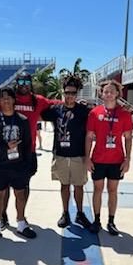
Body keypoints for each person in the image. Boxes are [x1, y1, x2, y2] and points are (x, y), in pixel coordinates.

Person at [1, 71, 54, 229]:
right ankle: (3, 215)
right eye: (21, 82)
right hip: (8, 149)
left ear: (30, 84)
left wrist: (82, 103)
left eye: (26, 82)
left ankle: (21, 216)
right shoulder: (10, 98)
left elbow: (57, 103)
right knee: (4, 186)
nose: (24, 86)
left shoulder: (37, 100)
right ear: (17, 83)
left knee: (24, 185)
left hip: (28, 151)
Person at [0, 87, 36, 242]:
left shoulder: (22, 120)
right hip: (0, 164)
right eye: (2, 98)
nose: (6, 100)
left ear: (14, 99)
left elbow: (28, 144)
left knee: (20, 194)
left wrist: (28, 165)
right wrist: (5, 147)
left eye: (9, 97)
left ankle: (21, 224)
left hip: (19, 165)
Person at [41, 75, 91, 229]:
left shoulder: (84, 110)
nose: (70, 96)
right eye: (67, 92)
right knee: (64, 185)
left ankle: (80, 213)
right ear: (63, 93)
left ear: (77, 94)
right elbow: (39, 110)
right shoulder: (55, 110)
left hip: (78, 155)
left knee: (79, 186)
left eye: (73, 93)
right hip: (61, 154)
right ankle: (65, 212)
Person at [85, 79, 133, 235]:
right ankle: (96, 220)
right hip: (98, 159)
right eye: (106, 91)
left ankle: (111, 221)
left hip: (117, 160)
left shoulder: (125, 114)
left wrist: (128, 159)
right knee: (97, 190)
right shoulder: (95, 113)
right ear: (101, 94)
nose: (109, 94)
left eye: (112, 91)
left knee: (113, 190)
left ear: (118, 94)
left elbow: (127, 137)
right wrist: (87, 158)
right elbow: (89, 136)